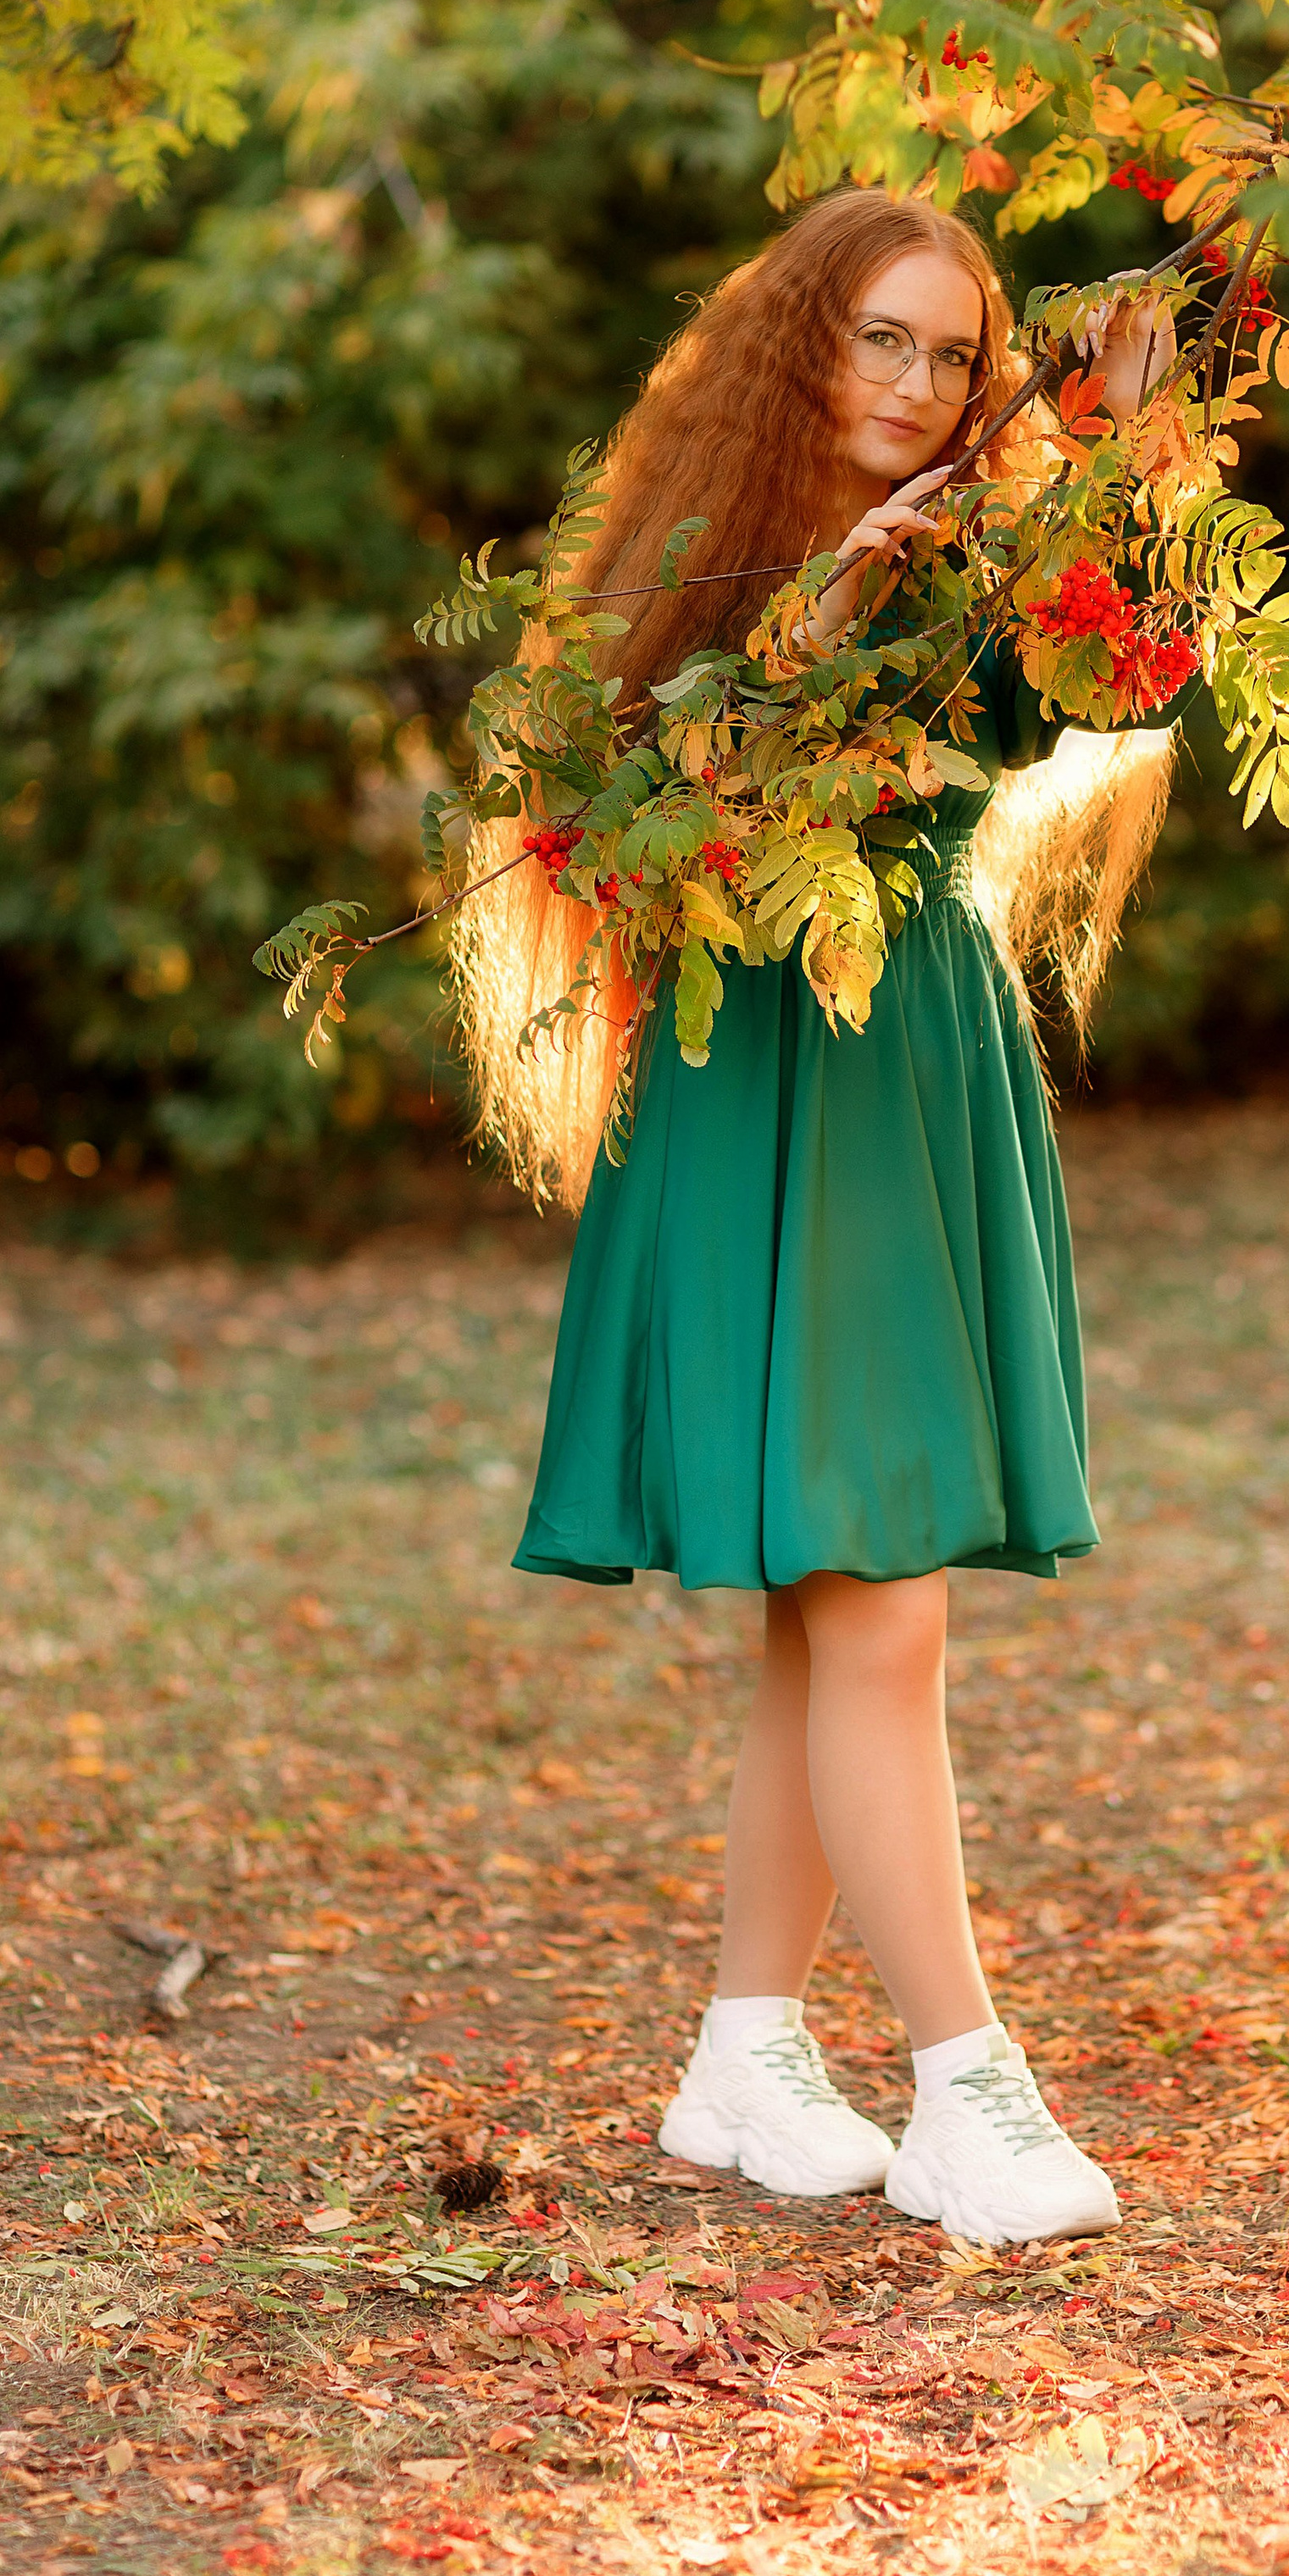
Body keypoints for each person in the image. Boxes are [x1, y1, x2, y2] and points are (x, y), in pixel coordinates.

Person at [457, 191, 1179, 2244]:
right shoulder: (699, 560)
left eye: (954, 353)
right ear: (801, 341)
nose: (918, 384)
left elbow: (1123, 670)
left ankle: (744, 2055)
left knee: (835, 1593)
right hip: (758, 1062)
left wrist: (1121, 446)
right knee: (874, 1595)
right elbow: (626, 816)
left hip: (910, 1056)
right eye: (881, 338)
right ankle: (966, 2088)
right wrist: (804, 624)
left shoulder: (971, 565)